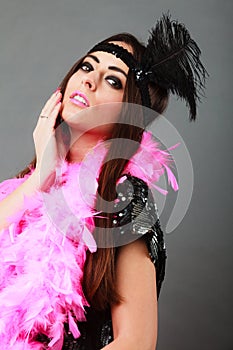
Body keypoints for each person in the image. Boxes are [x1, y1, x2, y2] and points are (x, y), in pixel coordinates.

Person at [0, 14, 207, 350]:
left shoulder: (123, 199)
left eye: (112, 81)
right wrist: (39, 179)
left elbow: (137, 341)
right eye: (86, 67)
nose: (89, 81)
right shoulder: (34, 186)